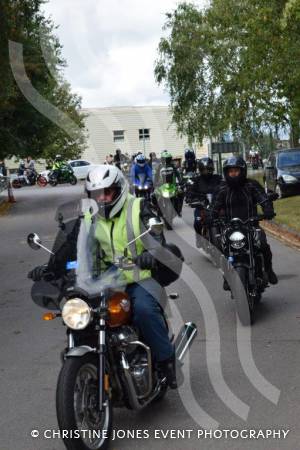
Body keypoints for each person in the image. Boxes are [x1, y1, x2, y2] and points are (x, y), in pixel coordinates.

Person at [28, 165, 183, 388]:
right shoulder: (90, 217)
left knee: (144, 311)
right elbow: (72, 245)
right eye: (95, 194)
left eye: (106, 192)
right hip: (105, 279)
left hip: (139, 275)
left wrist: (151, 253)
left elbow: (156, 237)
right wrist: (51, 268)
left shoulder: (138, 207)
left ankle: (166, 362)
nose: (101, 198)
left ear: (119, 190)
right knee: (83, 314)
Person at [210, 156, 278, 285]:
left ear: (242, 171)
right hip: (230, 227)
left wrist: (268, 210)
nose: (233, 174)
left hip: (251, 225)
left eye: (236, 171)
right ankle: (227, 275)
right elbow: (214, 206)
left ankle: (269, 271)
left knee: (262, 244)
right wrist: (210, 217)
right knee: (223, 248)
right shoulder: (222, 189)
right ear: (226, 173)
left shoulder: (251, 185)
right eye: (230, 171)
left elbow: (262, 198)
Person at [189, 157, 223, 246]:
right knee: (197, 222)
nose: (206, 171)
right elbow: (190, 193)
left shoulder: (218, 178)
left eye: (208, 169)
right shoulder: (196, 181)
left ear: (212, 168)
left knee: (225, 219)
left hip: (216, 206)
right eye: (204, 170)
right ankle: (199, 237)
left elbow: (225, 189)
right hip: (201, 207)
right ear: (200, 170)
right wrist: (192, 200)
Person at [154, 151, 184, 216]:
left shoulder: (173, 166)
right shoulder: (159, 167)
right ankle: (158, 210)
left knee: (181, 193)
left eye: (168, 159)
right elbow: (156, 176)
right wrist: (154, 183)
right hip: (162, 186)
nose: (166, 161)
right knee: (154, 195)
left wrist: (181, 182)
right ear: (162, 159)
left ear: (170, 159)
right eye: (165, 159)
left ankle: (179, 210)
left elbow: (178, 175)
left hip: (173, 186)